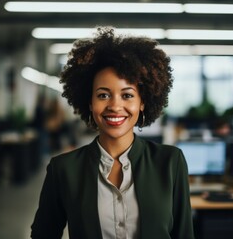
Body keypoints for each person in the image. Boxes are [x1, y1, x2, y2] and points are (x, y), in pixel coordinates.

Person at [31, 27, 195, 239]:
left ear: (142, 102)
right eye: (103, 95)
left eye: (127, 95)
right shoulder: (63, 170)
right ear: (89, 103)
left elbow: (184, 235)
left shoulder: (171, 162)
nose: (115, 106)